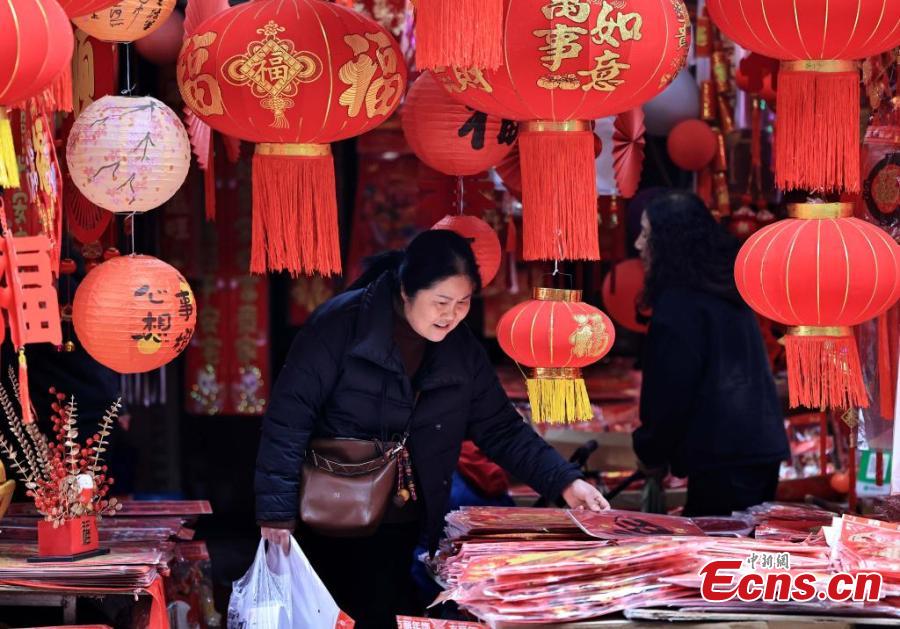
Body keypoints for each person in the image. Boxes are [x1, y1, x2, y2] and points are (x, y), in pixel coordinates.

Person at [255, 230, 608, 628]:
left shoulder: (462, 350)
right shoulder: (339, 326)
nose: (451, 314)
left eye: (462, 303)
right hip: (331, 511)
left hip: (404, 517)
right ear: (406, 290)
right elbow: (288, 419)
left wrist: (565, 482)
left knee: (389, 610)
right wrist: (275, 513)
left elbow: (501, 428)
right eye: (441, 302)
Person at [632, 191, 789, 517]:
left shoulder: (680, 306)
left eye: (646, 234)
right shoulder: (725, 289)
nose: (638, 244)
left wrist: (650, 451)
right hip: (756, 451)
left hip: (724, 460)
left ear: (668, 243)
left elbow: (670, 394)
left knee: (715, 553)